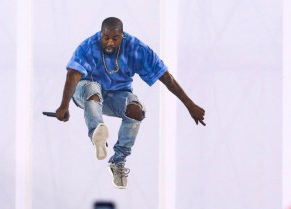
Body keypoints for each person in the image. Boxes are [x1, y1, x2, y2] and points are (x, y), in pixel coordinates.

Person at [54, 17, 206, 189]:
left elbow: (165, 76)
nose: (110, 42)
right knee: (93, 88)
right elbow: (72, 76)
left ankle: (118, 162)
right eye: (106, 37)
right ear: (100, 34)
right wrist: (64, 105)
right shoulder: (88, 46)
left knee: (136, 110)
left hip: (116, 95)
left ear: (122, 35)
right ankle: (97, 134)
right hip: (85, 93)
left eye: (115, 38)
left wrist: (189, 104)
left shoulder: (136, 49)